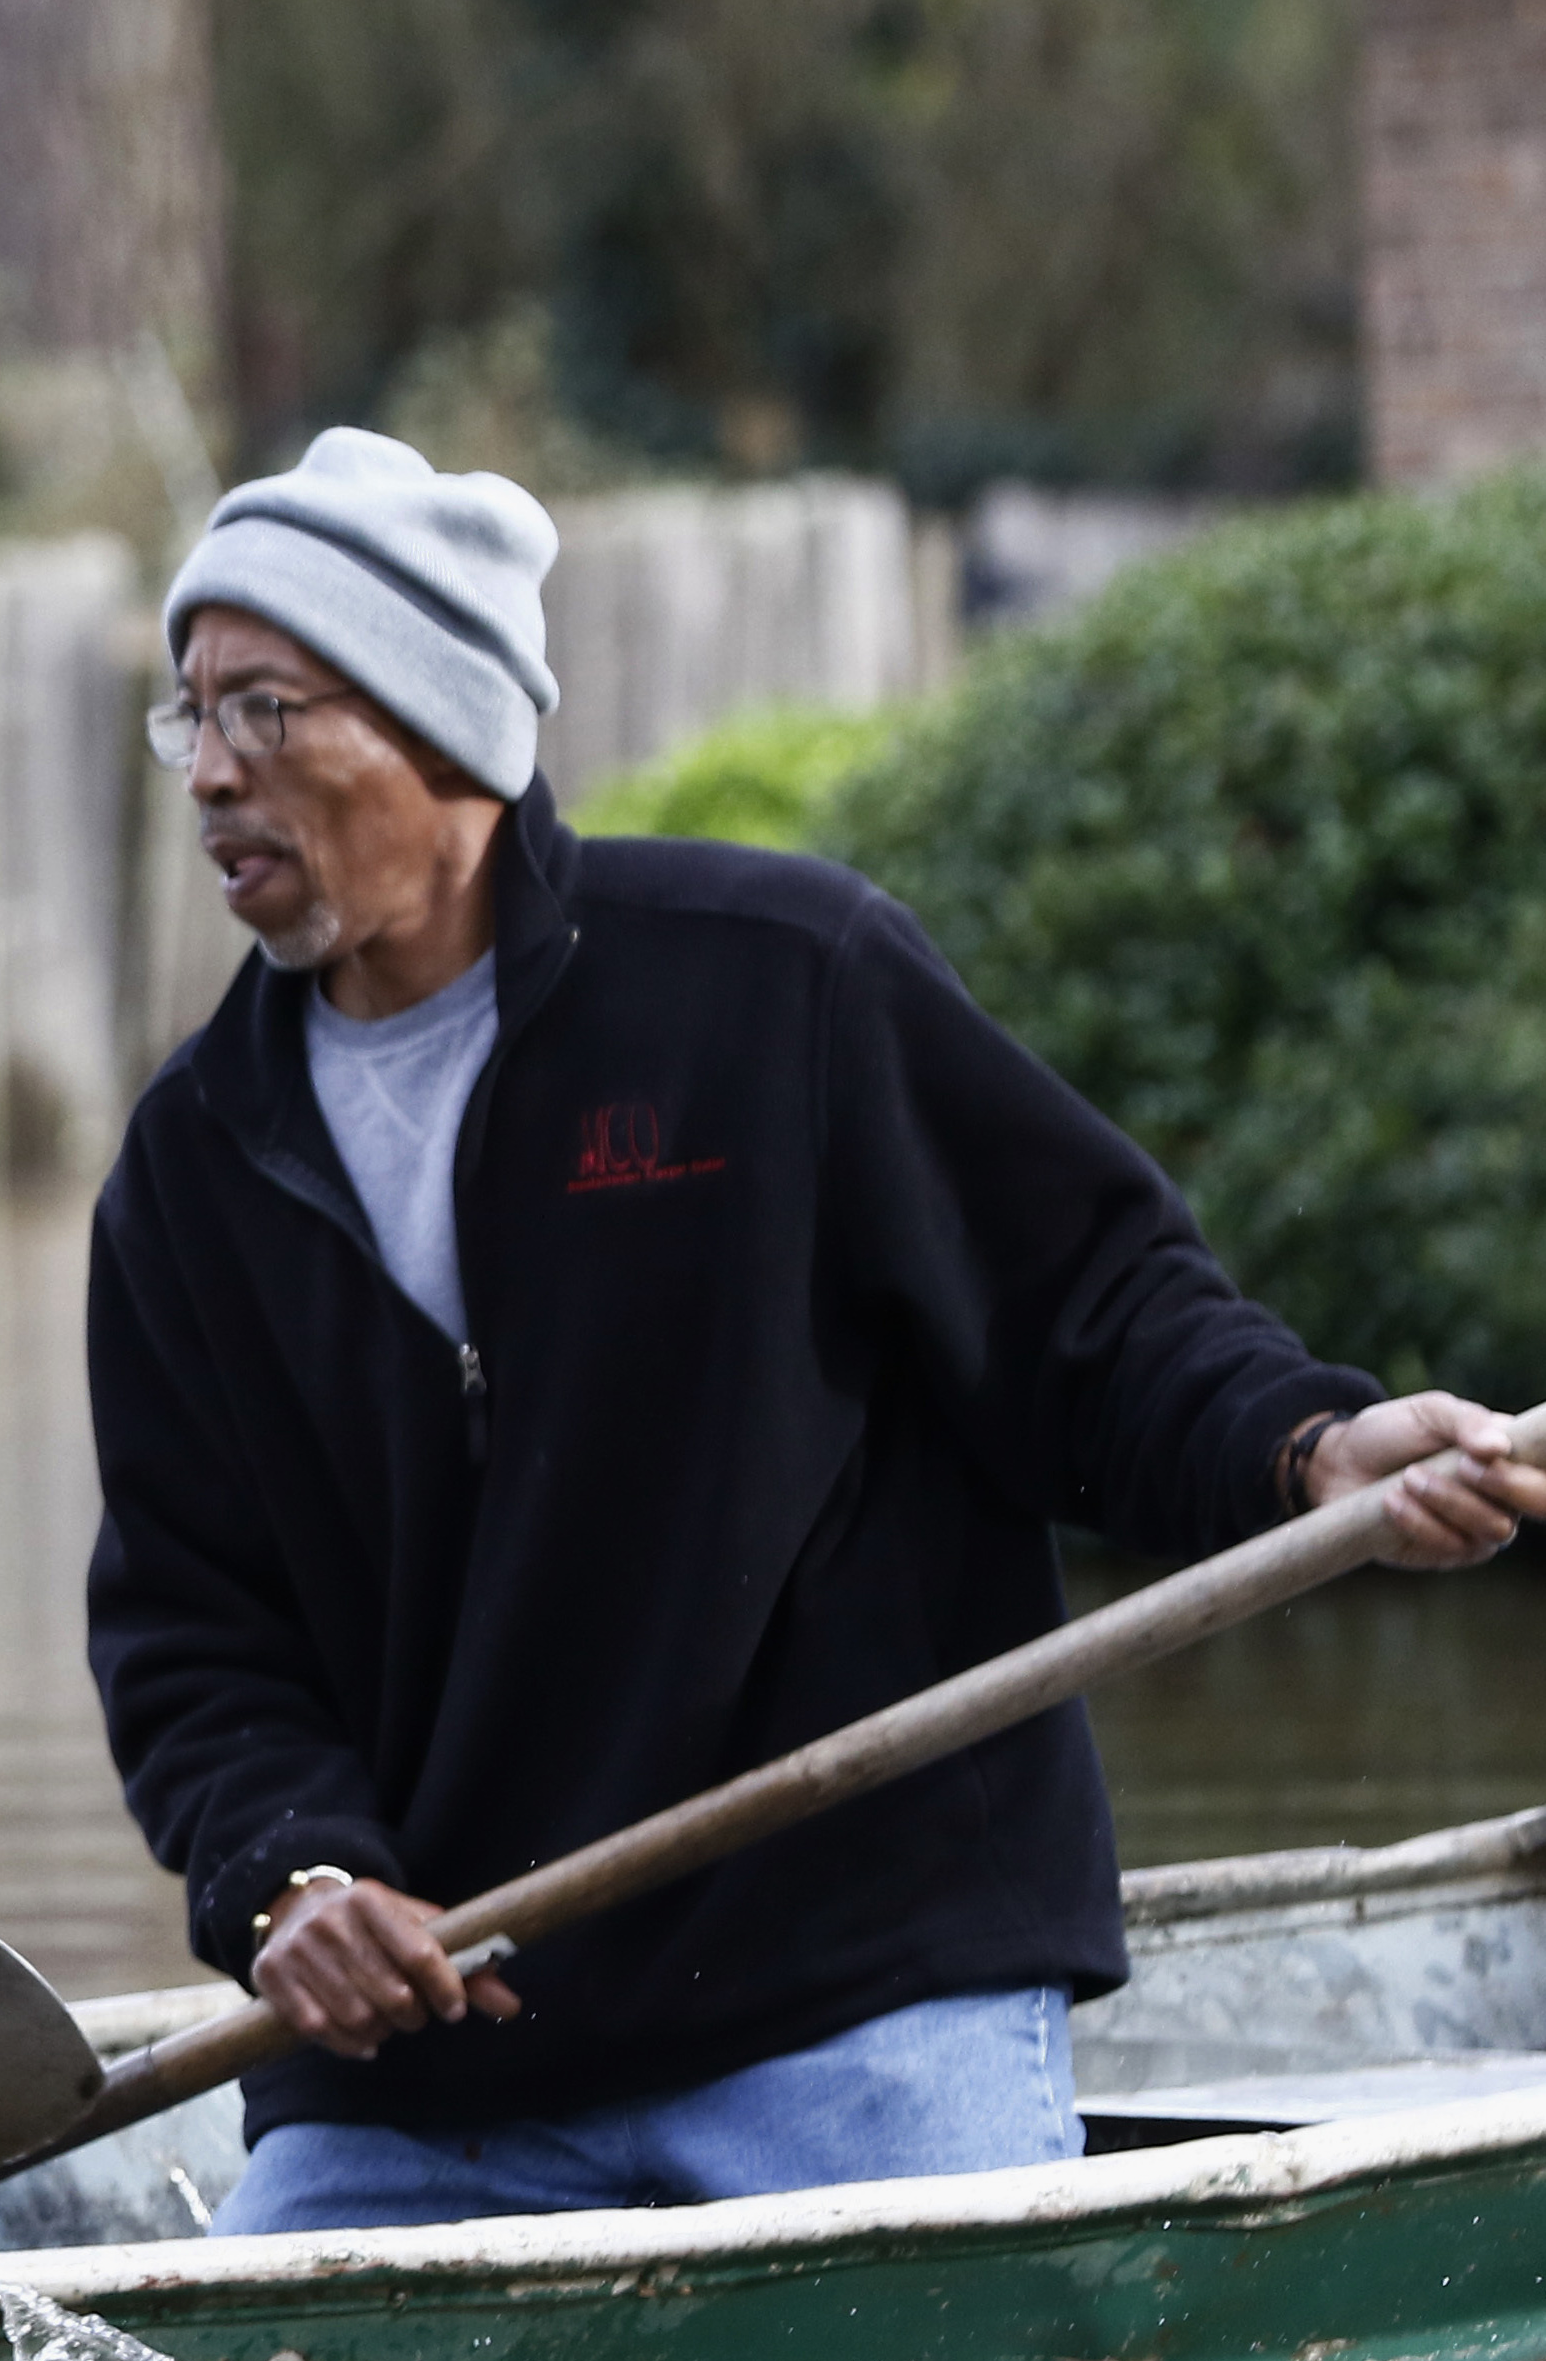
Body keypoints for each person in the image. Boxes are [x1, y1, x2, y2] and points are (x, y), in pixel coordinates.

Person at [87, 429, 1545, 2237]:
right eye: (190, 718)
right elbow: (192, 1632)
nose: (212, 774)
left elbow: (1088, 1317)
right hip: (439, 2079)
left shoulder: (780, 987)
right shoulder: (189, 1170)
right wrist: (291, 1883)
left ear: (439, 723)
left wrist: (1311, 1448)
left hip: (853, 1999)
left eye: (266, 713)